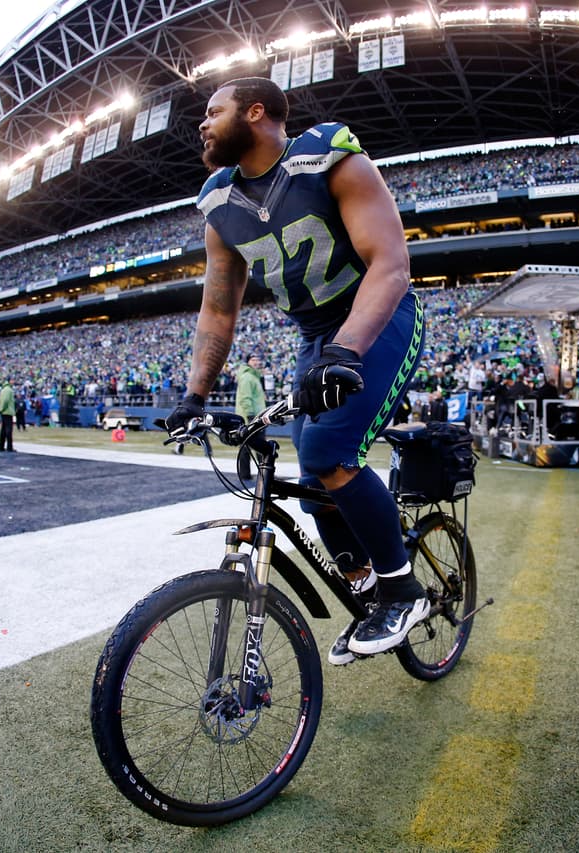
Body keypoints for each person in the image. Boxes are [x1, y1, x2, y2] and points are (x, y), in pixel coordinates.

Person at [166, 77, 426, 664]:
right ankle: (368, 581)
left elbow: (390, 264)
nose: (202, 124)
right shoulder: (219, 204)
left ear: (256, 112)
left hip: (375, 318)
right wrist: (193, 395)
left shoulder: (327, 156)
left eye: (214, 112)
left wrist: (347, 350)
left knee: (330, 452)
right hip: (314, 337)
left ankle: (403, 591)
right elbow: (218, 307)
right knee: (313, 486)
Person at [235, 353, 267, 419]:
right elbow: (245, 397)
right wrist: (249, 414)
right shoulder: (246, 376)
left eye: (257, 360)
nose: (256, 362)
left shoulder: (254, 376)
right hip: (250, 416)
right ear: (248, 362)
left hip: (258, 415)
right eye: (253, 360)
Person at [0, 378, 16, 451]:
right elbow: (6, 400)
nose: (13, 381)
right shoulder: (9, 390)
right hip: (7, 411)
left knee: (3, 430)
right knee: (8, 430)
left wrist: (0, 409)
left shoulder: (3, 389)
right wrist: (2, 408)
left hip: (4, 412)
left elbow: (1, 400)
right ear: (9, 381)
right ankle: (9, 447)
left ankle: (1, 446)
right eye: (12, 380)